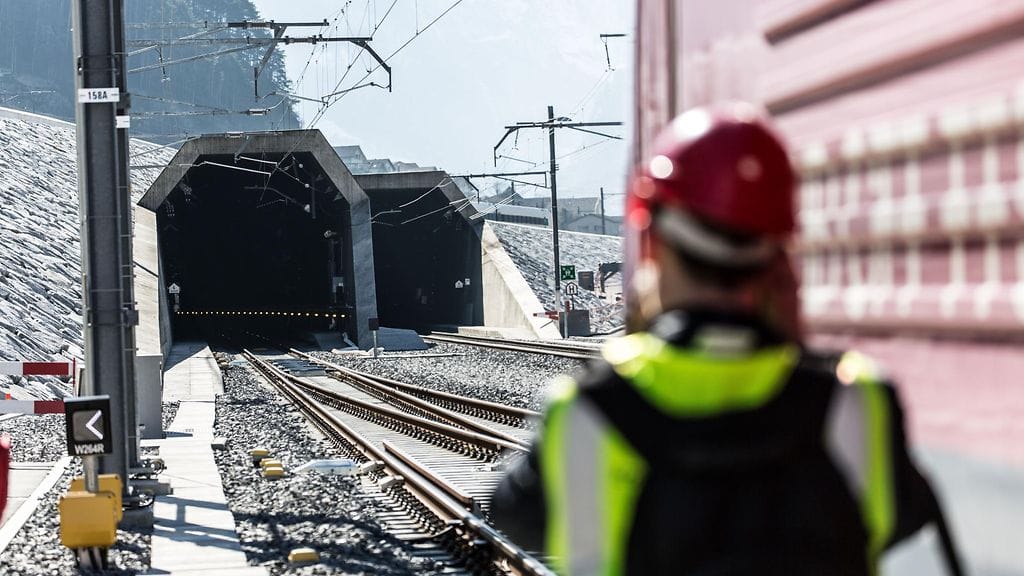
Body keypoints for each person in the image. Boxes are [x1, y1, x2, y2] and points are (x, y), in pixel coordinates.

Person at [490, 102, 963, 576]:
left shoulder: (587, 410)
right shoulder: (857, 401)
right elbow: (902, 517)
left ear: (652, 241)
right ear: (779, 254)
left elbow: (514, 512)